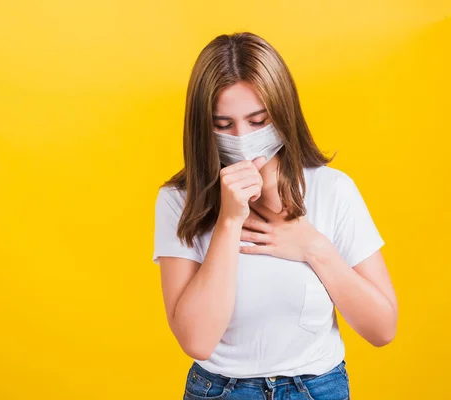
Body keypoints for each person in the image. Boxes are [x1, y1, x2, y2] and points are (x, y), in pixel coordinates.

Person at [151, 32, 398, 400]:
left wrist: (313, 247)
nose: (243, 137)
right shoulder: (178, 200)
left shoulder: (332, 189)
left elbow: (382, 329)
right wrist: (229, 222)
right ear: (204, 126)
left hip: (318, 388)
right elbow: (197, 341)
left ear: (283, 113)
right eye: (223, 125)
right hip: (221, 391)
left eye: (258, 120)